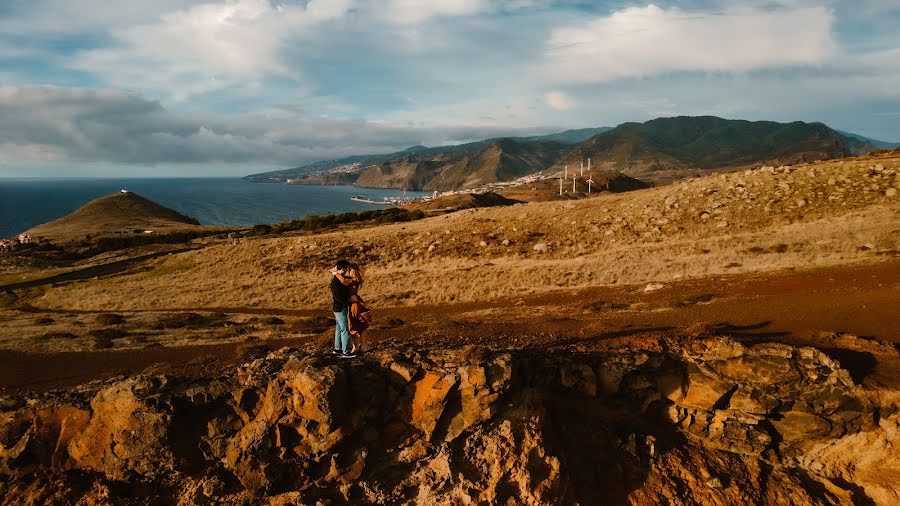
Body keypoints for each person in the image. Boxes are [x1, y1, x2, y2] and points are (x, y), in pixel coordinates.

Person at [333, 262, 372, 353]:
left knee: (357, 326)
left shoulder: (354, 279)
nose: (349, 272)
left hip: (354, 305)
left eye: (351, 270)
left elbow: (344, 281)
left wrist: (336, 274)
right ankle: (359, 347)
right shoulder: (353, 278)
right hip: (352, 304)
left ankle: (360, 347)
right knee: (355, 326)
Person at [330, 259, 355, 358]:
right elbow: (339, 298)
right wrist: (350, 300)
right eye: (347, 268)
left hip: (338, 309)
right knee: (345, 329)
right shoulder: (337, 282)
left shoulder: (339, 279)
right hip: (340, 308)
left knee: (339, 329)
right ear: (343, 269)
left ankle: (337, 349)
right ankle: (346, 351)